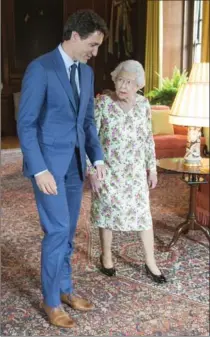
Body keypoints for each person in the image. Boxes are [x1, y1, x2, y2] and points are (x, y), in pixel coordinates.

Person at [17, 10, 108, 328]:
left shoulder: (85, 73)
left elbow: (87, 123)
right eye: (93, 45)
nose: (95, 53)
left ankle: (66, 289)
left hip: (75, 165)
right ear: (75, 37)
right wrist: (39, 169)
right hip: (48, 167)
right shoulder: (40, 68)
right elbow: (26, 124)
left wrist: (96, 159)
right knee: (56, 231)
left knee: (68, 232)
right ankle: (52, 300)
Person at [88, 60, 167, 283]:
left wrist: (152, 169)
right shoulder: (103, 103)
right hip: (108, 170)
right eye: (120, 80)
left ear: (138, 85)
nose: (123, 86)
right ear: (114, 80)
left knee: (143, 215)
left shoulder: (143, 105)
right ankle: (106, 257)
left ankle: (150, 262)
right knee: (107, 212)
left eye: (129, 82)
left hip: (134, 172)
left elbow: (147, 139)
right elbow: (91, 137)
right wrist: (91, 169)